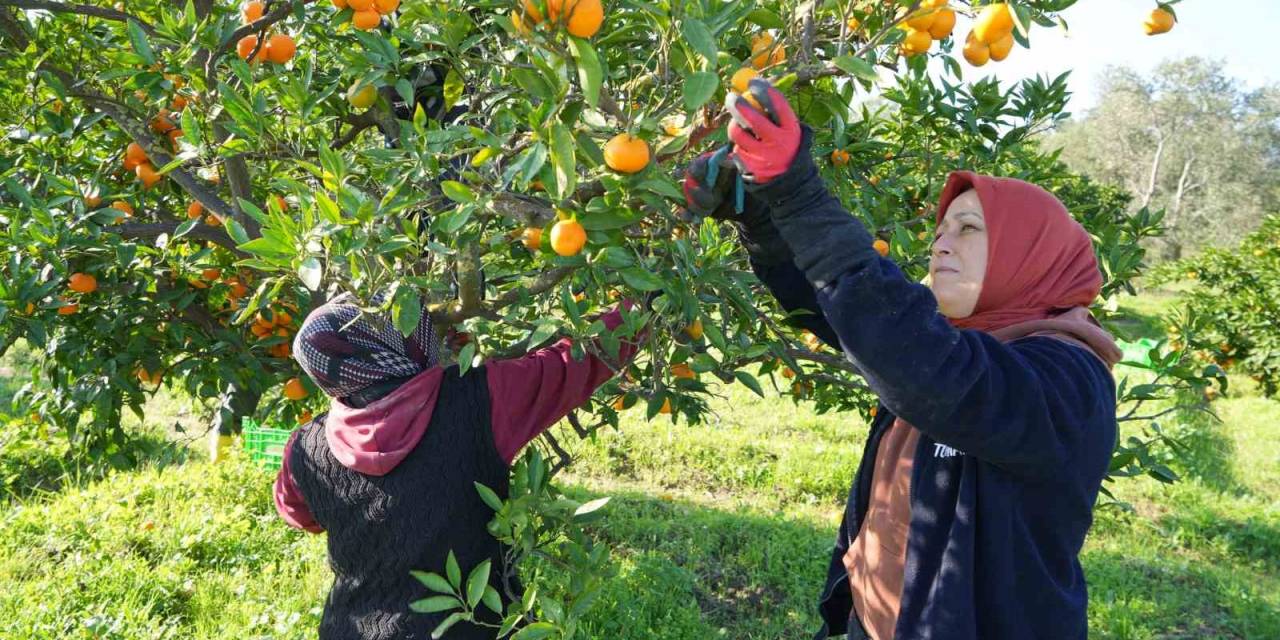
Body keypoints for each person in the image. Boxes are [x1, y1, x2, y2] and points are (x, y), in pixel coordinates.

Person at [683, 79, 1122, 640]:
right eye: (941, 230)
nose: (941, 244)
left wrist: (797, 195)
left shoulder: (1069, 376)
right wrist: (760, 220)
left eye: (969, 230)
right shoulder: (958, 341)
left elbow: (927, 367)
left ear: (1029, 253)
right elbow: (843, 315)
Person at [272, 293, 641, 639]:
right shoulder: (482, 399)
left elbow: (298, 515)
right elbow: (577, 361)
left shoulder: (306, 447)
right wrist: (645, 305)